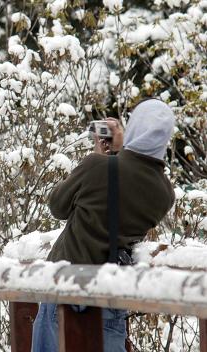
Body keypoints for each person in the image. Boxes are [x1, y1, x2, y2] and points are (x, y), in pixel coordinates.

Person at [31, 99, 176, 352]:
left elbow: (57, 206)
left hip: (64, 289)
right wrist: (122, 153)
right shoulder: (164, 193)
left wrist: (100, 157)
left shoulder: (96, 166)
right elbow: (132, 180)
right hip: (110, 298)